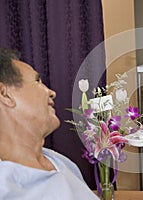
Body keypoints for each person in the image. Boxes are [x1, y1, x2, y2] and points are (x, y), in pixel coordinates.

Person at [0, 47, 99, 199]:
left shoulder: (60, 162)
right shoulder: (6, 187)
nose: (51, 92)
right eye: (37, 81)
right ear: (5, 94)